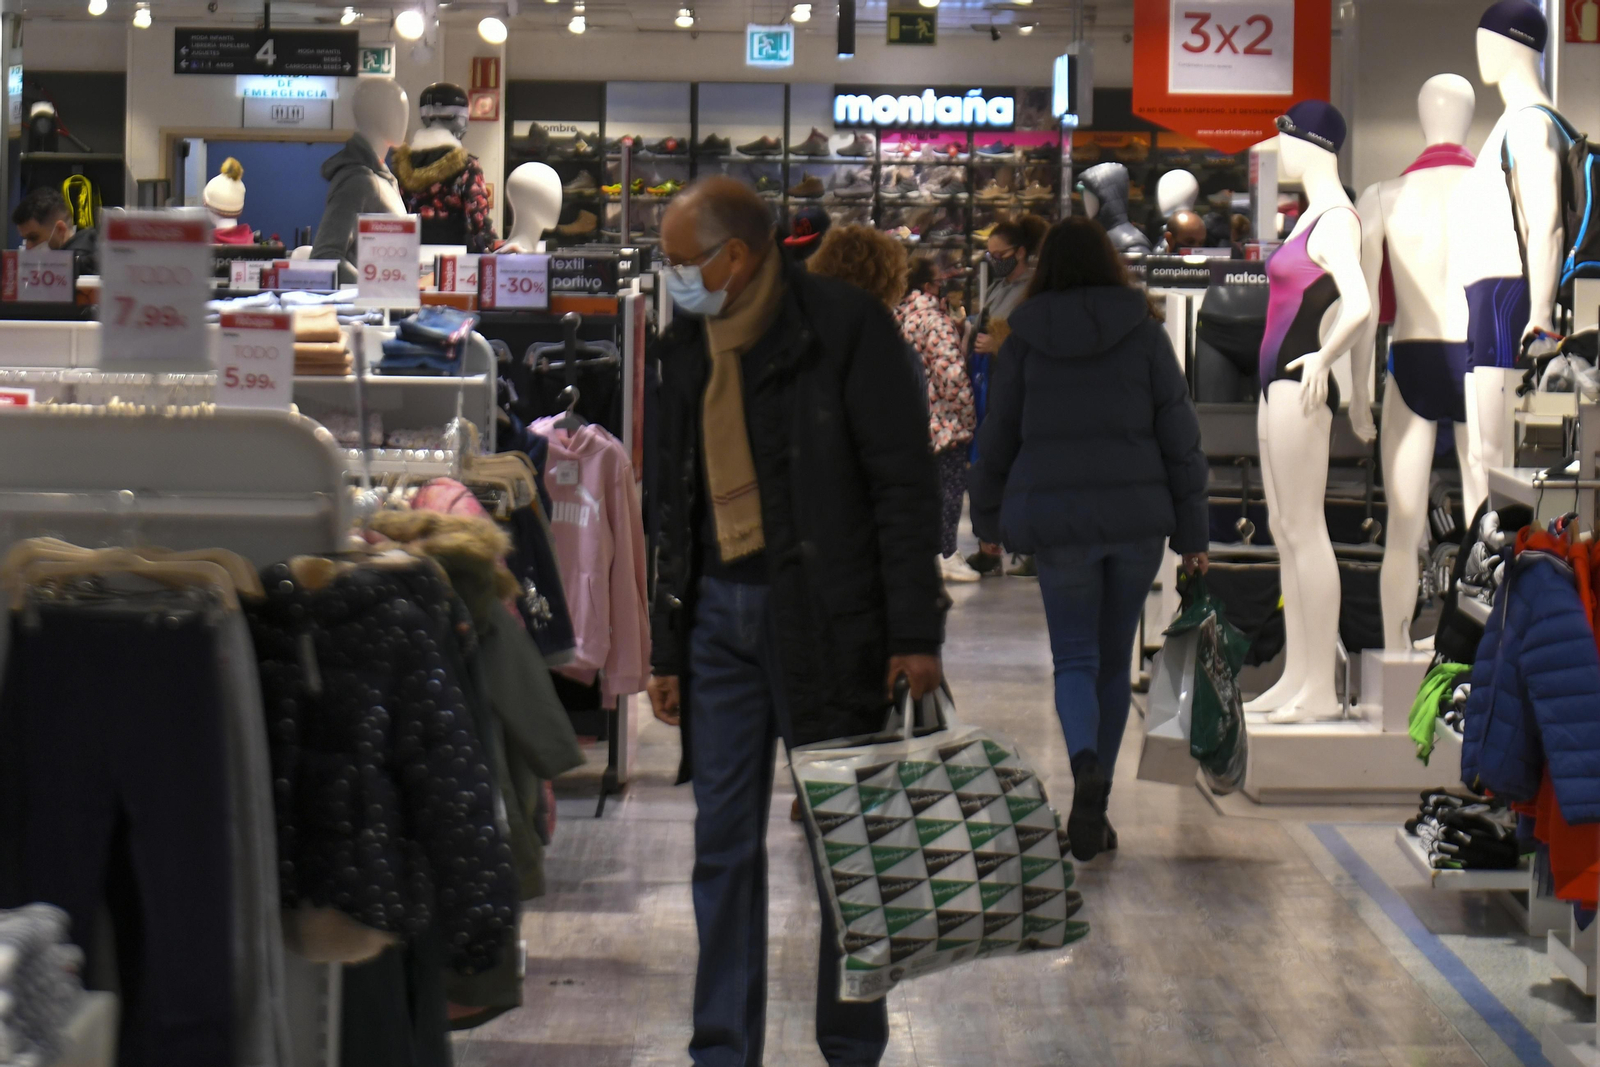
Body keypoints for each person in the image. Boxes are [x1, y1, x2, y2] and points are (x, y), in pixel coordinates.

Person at [647, 176, 946, 1067]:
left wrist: (915, 632)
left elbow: (903, 485)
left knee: (846, 845)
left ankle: (852, 1042)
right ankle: (721, 1049)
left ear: (735, 255)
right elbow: (674, 503)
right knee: (723, 847)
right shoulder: (684, 347)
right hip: (716, 623)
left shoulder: (847, 329)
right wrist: (666, 644)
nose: (672, 278)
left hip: (832, 619)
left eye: (679, 261)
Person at [967, 217, 1209, 863]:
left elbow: (997, 438)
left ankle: (1084, 773)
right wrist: (1193, 534)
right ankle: (1093, 804)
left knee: (1073, 658)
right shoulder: (1147, 335)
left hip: (1059, 521)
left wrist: (987, 522)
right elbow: (1181, 439)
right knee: (1110, 659)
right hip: (1136, 524)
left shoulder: (1023, 340)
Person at [969, 214, 1047, 578]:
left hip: (1017, 387)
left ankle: (1026, 547)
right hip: (993, 381)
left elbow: (1033, 340)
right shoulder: (1001, 287)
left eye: (998, 254)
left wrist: (999, 344)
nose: (993, 260)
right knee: (989, 462)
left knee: (1013, 465)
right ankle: (991, 544)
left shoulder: (1033, 291)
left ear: (1019, 253)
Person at [897, 257, 977, 581]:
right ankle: (946, 553)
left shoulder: (896, 317)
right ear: (929, 286)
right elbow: (951, 374)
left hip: (908, 423)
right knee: (949, 491)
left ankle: (923, 554)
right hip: (942, 424)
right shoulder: (935, 321)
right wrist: (968, 416)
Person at [11, 186, 97, 275]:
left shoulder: (78, 267)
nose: (28, 247)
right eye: (25, 239)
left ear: (60, 229)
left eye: (33, 238)